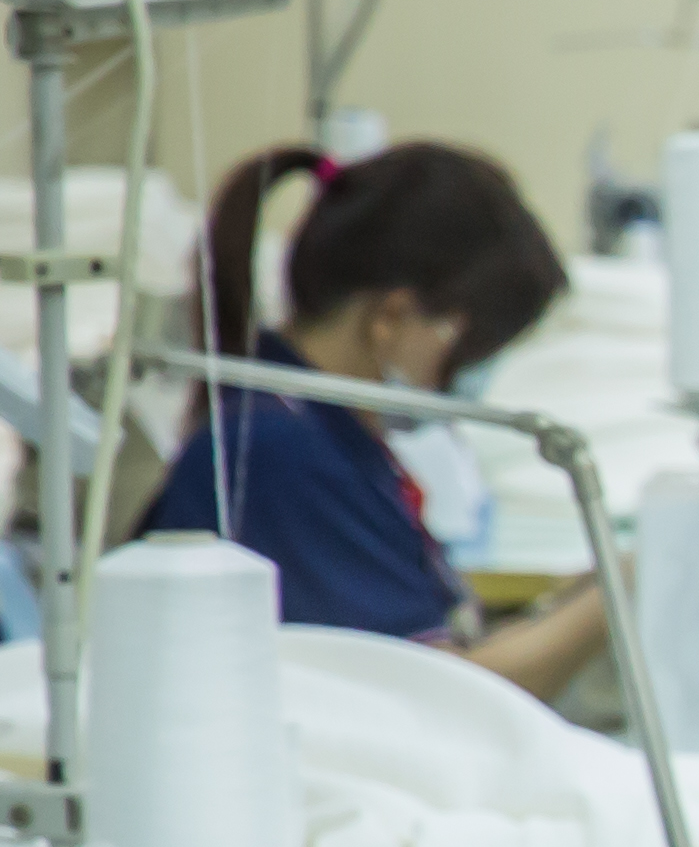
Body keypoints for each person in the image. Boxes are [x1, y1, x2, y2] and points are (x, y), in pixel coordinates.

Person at [134, 138, 605, 693]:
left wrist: (577, 599)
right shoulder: (277, 455)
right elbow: (434, 697)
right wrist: (612, 600)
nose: (469, 377)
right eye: (470, 349)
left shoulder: (329, 440)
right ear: (392, 317)